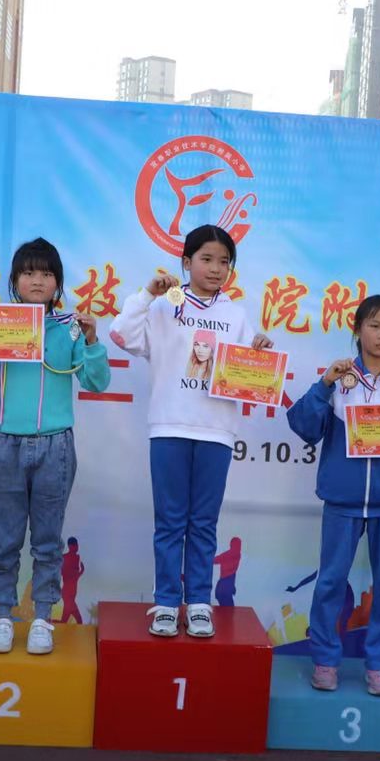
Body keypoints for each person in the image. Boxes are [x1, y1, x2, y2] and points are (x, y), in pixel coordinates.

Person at [0, 237, 110, 654]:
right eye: (28, 273)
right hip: (5, 444)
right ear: (14, 280)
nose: (37, 280)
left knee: (47, 540)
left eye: (46, 273)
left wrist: (91, 341)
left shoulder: (69, 328)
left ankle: (42, 618)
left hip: (55, 446)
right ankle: (2, 616)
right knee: (5, 539)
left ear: (58, 282)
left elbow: (96, 382)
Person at [112, 225, 271, 638]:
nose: (216, 269)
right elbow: (121, 335)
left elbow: (245, 375)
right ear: (186, 262)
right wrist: (147, 295)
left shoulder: (235, 315)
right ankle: (166, 602)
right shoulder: (165, 306)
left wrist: (258, 356)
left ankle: (199, 602)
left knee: (203, 522)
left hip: (217, 431)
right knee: (170, 521)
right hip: (169, 426)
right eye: (207, 259)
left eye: (224, 262)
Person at [285, 294, 380, 696]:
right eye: (375, 326)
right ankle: (325, 660)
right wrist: (324, 384)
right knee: (330, 581)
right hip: (342, 502)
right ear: (357, 328)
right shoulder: (338, 381)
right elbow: (304, 428)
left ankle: (379, 664)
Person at [58, 538, 86, 624]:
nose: (77, 547)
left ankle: (48, 622)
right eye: (76, 545)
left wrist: (81, 571)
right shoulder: (65, 558)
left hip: (70, 594)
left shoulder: (75, 558)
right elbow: (69, 575)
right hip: (68, 594)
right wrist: (81, 571)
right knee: (79, 620)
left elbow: (74, 577)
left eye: (77, 545)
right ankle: (47, 623)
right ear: (71, 546)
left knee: (64, 621)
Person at [213, 536, 242, 607]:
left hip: (225, 583)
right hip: (227, 583)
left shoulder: (229, 554)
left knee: (226, 606)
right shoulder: (237, 555)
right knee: (228, 607)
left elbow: (214, 560)